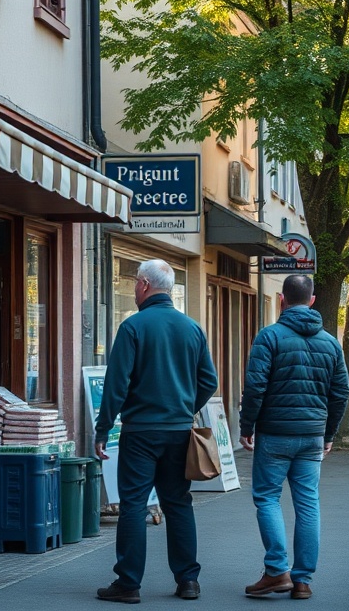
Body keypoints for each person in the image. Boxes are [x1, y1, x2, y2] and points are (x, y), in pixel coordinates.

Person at [94, 259, 218, 604]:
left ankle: (128, 583)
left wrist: (102, 429)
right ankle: (188, 581)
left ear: (145, 285)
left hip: (141, 432)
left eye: (135, 282)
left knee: (133, 505)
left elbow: (116, 386)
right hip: (179, 432)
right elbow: (209, 380)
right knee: (178, 503)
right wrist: (183, 406)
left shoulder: (133, 328)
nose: (134, 287)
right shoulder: (191, 328)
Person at [239, 275, 349, 601]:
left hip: (274, 435)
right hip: (311, 437)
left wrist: (247, 428)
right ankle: (302, 581)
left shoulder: (269, 337)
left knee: (267, 499)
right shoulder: (330, 343)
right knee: (308, 505)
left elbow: (255, 387)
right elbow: (340, 393)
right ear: (312, 300)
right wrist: (328, 433)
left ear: (282, 300)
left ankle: (276, 571)